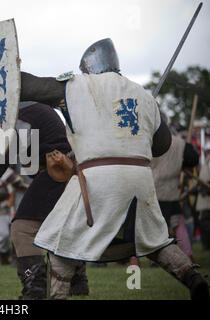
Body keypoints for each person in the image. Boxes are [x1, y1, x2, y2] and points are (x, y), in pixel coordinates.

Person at [18, 38, 208, 300]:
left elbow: (29, 87)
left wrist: (6, 74)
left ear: (88, 67)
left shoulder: (77, 85)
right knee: (154, 240)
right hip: (140, 178)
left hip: (98, 178)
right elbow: (161, 146)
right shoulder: (143, 95)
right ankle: (193, 277)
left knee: (61, 243)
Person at [0, 101, 88, 299]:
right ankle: (77, 278)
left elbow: (2, 155)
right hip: (63, 171)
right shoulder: (33, 108)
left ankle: (35, 289)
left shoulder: (23, 114)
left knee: (22, 229)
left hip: (55, 173)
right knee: (57, 228)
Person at [151, 114, 200, 261]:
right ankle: (188, 255)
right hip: (171, 191)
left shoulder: (148, 141)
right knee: (177, 225)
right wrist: (182, 163)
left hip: (152, 191)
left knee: (155, 227)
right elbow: (192, 159)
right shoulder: (181, 144)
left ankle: (140, 259)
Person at [196, 140, 210, 250]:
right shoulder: (206, 162)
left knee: (205, 221)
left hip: (207, 198)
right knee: (203, 221)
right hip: (205, 198)